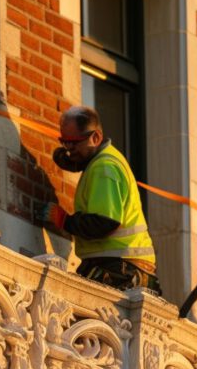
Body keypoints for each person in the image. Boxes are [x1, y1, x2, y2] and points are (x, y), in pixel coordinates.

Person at [36, 106, 161, 294]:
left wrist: (64, 220)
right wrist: (77, 161)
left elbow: (105, 221)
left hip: (121, 268)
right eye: (65, 142)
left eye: (74, 143)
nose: (68, 149)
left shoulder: (104, 168)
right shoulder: (103, 162)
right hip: (125, 266)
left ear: (95, 138)